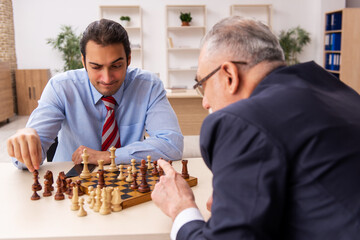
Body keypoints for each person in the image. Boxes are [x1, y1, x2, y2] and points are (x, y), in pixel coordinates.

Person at [151, 16, 360, 239]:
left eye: (203, 85)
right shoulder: (342, 94)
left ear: (229, 75)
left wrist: (181, 208)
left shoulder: (240, 121)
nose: (205, 102)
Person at [7, 19, 183, 172]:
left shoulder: (148, 85)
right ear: (83, 62)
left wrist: (106, 156)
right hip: (71, 182)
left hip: (127, 180)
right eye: (96, 67)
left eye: (116, 66)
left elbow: (172, 145)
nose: (107, 78)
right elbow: (26, 162)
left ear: (129, 59)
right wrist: (26, 141)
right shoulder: (61, 87)